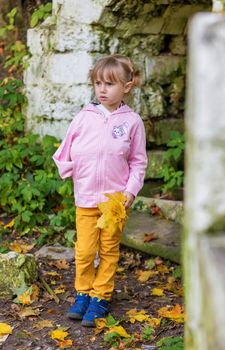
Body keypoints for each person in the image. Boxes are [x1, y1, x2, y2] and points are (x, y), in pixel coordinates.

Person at [53, 54, 147, 327]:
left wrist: (130, 190)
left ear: (126, 87)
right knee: (83, 251)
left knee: (108, 250)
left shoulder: (132, 122)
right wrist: (72, 172)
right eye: (98, 83)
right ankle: (83, 293)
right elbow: (64, 151)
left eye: (110, 84)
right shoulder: (84, 117)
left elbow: (138, 161)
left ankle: (101, 296)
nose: (102, 89)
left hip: (114, 203)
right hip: (85, 198)